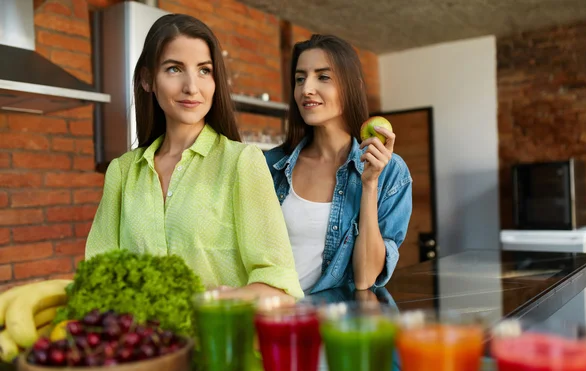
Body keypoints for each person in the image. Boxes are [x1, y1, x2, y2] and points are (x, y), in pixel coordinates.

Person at [86, 13, 303, 302]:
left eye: (204, 70)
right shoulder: (122, 173)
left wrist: (220, 301)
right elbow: (98, 278)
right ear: (148, 79)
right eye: (174, 69)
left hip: (217, 342)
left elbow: (281, 287)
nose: (192, 86)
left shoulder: (241, 163)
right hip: (146, 346)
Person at [265, 34, 413, 294]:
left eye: (323, 77)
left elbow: (365, 278)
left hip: (336, 324)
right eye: (300, 79)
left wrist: (369, 184)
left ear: (352, 87)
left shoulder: (390, 171)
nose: (306, 89)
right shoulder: (271, 165)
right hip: (274, 319)